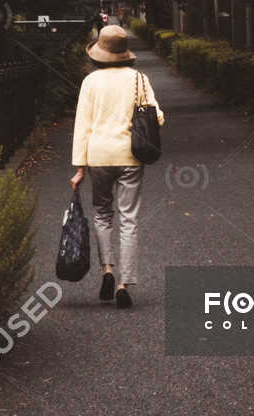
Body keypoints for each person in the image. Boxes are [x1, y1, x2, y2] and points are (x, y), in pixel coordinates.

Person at [70, 23, 164, 309]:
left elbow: (82, 126)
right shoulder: (139, 79)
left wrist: (79, 168)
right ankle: (125, 283)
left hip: (98, 155)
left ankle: (107, 270)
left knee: (102, 214)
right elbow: (157, 117)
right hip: (130, 155)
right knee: (129, 218)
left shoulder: (90, 82)